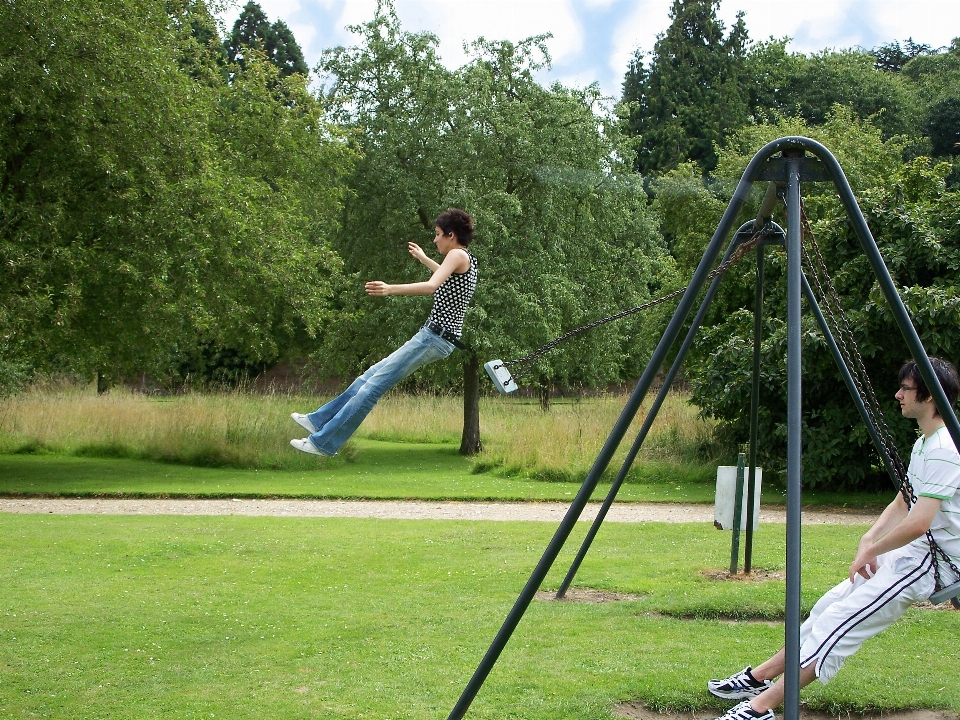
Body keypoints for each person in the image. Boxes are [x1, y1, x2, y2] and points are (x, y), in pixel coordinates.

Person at [707, 356, 960, 720]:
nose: (898, 394)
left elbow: (920, 522)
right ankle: (761, 677)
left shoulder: (944, 451)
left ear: (930, 397)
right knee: (828, 606)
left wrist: (872, 550)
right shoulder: (925, 444)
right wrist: (868, 538)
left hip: (933, 563)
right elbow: (904, 499)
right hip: (916, 553)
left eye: (906, 388)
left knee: (840, 624)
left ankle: (761, 708)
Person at [289, 208, 478, 457]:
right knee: (367, 378)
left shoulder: (456, 254)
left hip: (435, 338)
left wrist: (390, 289)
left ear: (451, 235)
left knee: (373, 387)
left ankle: (323, 443)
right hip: (433, 337)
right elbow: (444, 276)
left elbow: (432, 286)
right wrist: (423, 258)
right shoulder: (464, 258)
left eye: (437, 234)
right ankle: (318, 420)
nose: (434, 240)